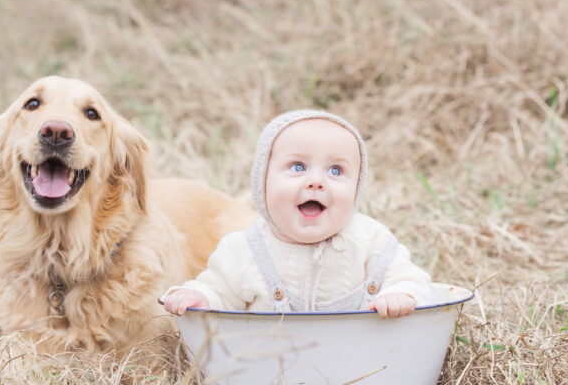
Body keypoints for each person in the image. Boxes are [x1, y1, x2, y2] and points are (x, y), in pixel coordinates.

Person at [163, 109, 432, 318]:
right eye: (298, 167)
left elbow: (411, 278)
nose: (316, 181)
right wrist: (199, 296)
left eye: (336, 171)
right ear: (263, 182)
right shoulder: (244, 249)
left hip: (358, 367)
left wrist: (400, 294)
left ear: (357, 188)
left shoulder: (370, 239)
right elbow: (219, 290)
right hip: (274, 373)